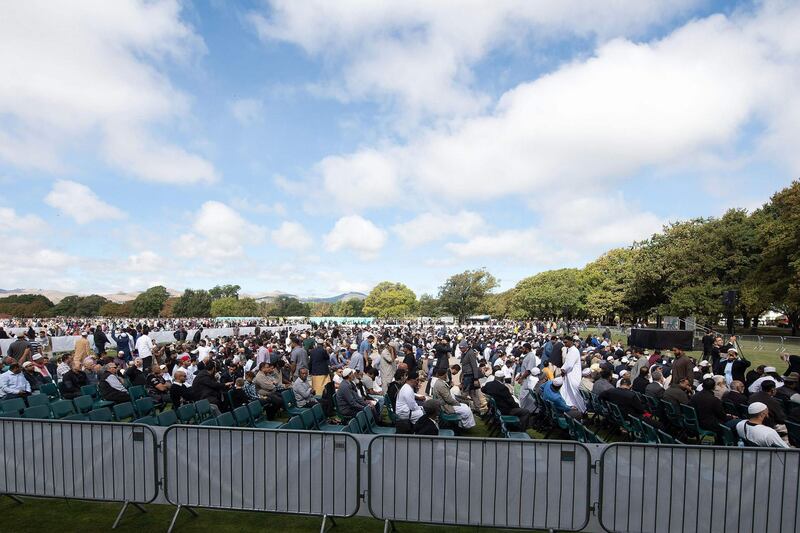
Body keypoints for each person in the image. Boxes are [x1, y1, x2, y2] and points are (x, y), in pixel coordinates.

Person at [459, 339, 487, 415]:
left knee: (465, 393)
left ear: (465, 347)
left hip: (470, 376)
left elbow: (474, 366)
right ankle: (477, 409)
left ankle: (466, 409)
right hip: (466, 375)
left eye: (462, 348)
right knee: (472, 393)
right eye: (460, 348)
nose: (461, 349)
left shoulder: (470, 353)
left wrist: (475, 378)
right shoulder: (464, 353)